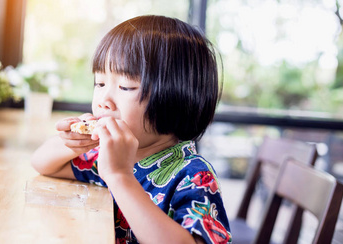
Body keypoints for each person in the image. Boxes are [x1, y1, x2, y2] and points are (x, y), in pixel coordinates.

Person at [31, 15, 231, 244]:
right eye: (100, 83)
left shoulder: (193, 175)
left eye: (126, 86)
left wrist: (119, 176)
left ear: (175, 96)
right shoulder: (108, 155)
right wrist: (72, 144)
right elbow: (42, 163)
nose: (104, 99)